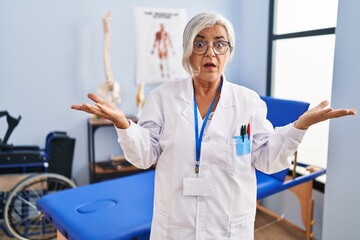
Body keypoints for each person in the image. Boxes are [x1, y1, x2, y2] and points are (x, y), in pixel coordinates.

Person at [71, 12, 357, 240]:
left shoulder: (248, 102)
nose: (210, 52)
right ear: (187, 51)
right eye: (200, 43)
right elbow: (145, 155)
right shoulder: (162, 98)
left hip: (229, 226)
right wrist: (124, 125)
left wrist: (298, 127)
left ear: (229, 52)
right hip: (175, 226)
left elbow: (267, 160)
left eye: (220, 43)